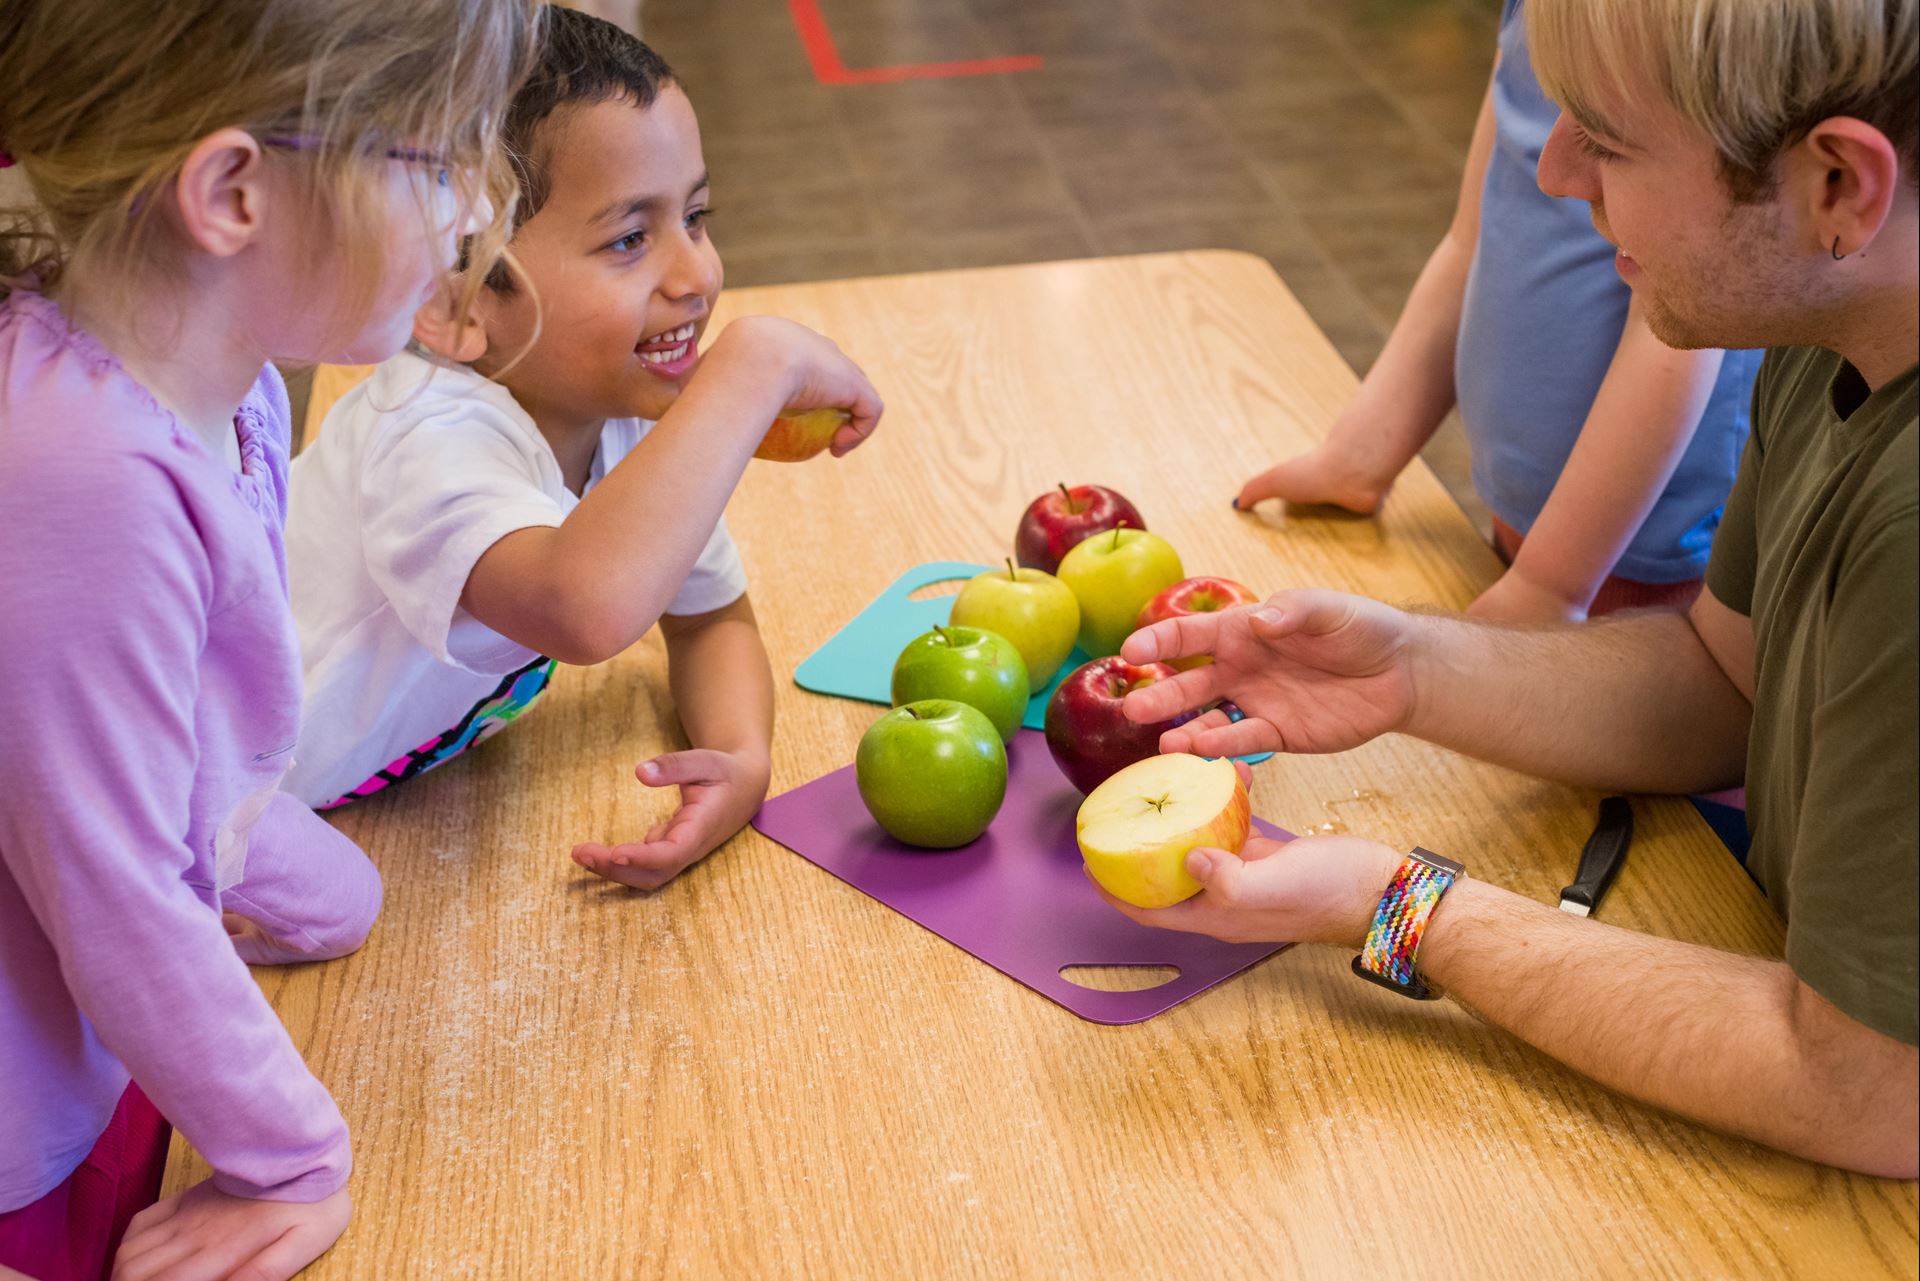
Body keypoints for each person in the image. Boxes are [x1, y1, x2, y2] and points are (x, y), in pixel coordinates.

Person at [1111, 0, 1917, 1176]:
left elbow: (1867, 1089)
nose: (1552, 170)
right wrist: (1413, 670)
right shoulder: (1828, 321)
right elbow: (1719, 680)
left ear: (1839, 184)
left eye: (1609, 138)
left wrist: (1401, 906)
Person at [0, 2, 537, 1277]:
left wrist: (317, 890)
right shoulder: (80, 478)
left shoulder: (224, 385)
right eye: (436, 157)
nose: (473, 212)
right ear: (233, 191)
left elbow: (173, 756)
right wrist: (290, 1161)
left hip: (113, 1033)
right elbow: (112, 881)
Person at [285, 7, 882, 890]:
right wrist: (754, 368)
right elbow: (584, 609)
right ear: (455, 306)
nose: (697, 276)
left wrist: (739, 755)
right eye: (631, 239)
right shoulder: (422, 439)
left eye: (697, 215)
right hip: (203, 808)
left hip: (357, 798)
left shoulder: (621, 402)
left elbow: (709, 615)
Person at [1236, 0, 1760, 625]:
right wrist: (1361, 452)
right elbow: (1469, 239)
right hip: (1527, 521)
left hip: (1623, 562)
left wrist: (1550, 586)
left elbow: (1673, 337)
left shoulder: (1671, 35)